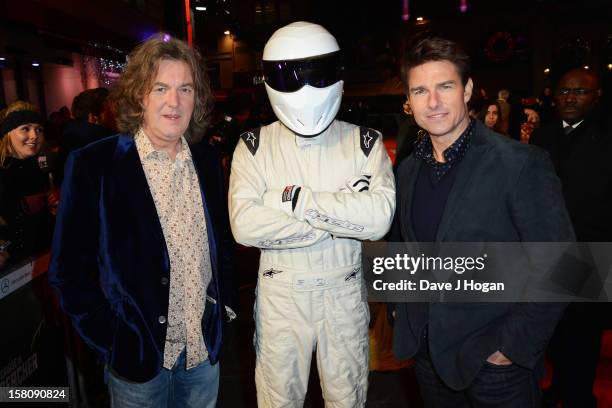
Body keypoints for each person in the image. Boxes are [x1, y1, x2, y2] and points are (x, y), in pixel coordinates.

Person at [48, 34, 236, 408]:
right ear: (138, 96)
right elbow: (68, 272)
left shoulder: (207, 161)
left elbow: (222, 247)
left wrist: (223, 311)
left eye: (185, 88)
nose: (174, 101)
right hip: (138, 360)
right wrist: (113, 340)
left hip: (202, 352)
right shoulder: (94, 165)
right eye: (161, 88)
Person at [389, 36, 574, 407]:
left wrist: (511, 346)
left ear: (468, 89)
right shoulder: (407, 170)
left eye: (445, 86)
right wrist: (403, 313)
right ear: (409, 101)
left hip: (495, 364)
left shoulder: (519, 163)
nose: (434, 102)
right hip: (427, 356)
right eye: (421, 90)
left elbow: (567, 264)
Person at [229, 21, 395, 407]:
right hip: (281, 295)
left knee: (347, 397)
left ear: (337, 75)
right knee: (277, 398)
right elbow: (245, 225)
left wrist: (293, 199)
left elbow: (378, 218)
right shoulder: (254, 146)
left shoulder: (362, 142)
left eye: (316, 74)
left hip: (343, 291)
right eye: (292, 76)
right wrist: (337, 214)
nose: (305, 88)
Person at [530, 67, 611, 408]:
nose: (570, 97)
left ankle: (580, 397)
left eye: (580, 91)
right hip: (547, 251)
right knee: (553, 328)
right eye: (564, 90)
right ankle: (560, 387)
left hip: (589, 250)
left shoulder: (607, 137)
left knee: (584, 333)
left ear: (597, 96)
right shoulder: (542, 136)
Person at [0, 101, 57, 270]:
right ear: (8, 133)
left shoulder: (41, 168)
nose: (34, 135)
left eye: (39, 129)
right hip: (11, 269)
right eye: (25, 128)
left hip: (43, 259)